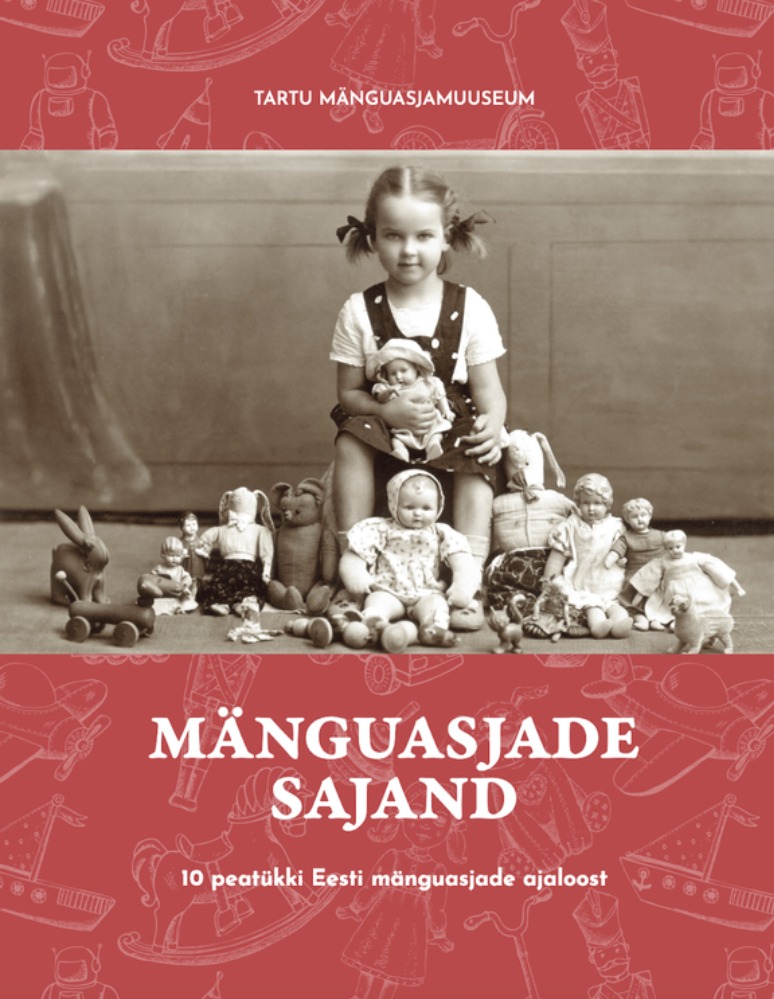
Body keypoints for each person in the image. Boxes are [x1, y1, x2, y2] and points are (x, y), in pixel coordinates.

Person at [331, 165, 508, 629]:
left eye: (424, 236)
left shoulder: (470, 307)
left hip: (447, 429)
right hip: (385, 433)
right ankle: (354, 573)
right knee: (350, 437)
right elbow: (348, 395)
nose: (408, 250)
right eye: (394, 236)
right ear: (373, 238)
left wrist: (492, 424)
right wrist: (384, 410)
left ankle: (467, 580)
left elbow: (490, 393)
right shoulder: (359, 311)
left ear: (447, 237)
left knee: (476, 446)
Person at [338, 470, 480, 651]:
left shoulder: (441, 532)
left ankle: (432, 627)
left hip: (426, 592)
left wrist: (463, 585)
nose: (418, 514)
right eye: (410, 507)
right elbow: (357, 552)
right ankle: (376, 622)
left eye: (426, 508)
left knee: (436, 605)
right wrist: (355, 573)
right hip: (388, 590)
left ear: (438, 506)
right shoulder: (381, 528)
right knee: (377, 601)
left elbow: (462, 560)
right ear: (394, 504)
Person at [543, 473, 633, 639]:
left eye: (597, 503)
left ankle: (620, 623)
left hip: (609, 578)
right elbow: (557, 556)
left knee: (613, 604)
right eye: (586, 503)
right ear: (578, 502)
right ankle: (598, 626)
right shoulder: (570, 525)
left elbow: (626, 551)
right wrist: (549, 581)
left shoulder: (616, 526)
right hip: (583, 580)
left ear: (607, 504)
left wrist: (625, 560)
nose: (591, 508)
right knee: (592, 605)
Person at [629, 529, 745, 628]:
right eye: (670, 548)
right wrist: (639, 596)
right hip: (674, 592)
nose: (674, 550)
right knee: (668, 609)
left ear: (684, 544)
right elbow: (649, 579)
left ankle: (694, 621)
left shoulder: (696, 558)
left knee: (700, 605)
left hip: (696, 590)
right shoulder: (662, 562)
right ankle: (668, 621)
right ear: (666, 549)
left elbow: (720, 572)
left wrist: (738, 587)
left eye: (678, 547)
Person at [367, 339, 454, 460]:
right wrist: (389, 391)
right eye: (393, 373)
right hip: (402, 426)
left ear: (416, 369)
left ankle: (433, 446)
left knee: (437, 433)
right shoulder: (389, 388)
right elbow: (380, 398)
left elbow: (439, 395)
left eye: (403, 371)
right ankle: (401, 451)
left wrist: (446, 410)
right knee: (396, 440)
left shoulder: (426, 382)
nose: (398, 376)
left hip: (428, 423)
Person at [604, 497, 667, 630]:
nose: (640, 519)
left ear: (649, 516)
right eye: (634, 516)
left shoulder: (660, 535)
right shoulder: (626, 537)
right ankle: (640, 618)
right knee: (634, 592)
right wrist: (610, 559)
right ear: (627, 520)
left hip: (657, 572)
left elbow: (674, 544)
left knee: (661, 592)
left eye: (643, 515)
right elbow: (617, 550)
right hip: (636, 572)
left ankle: (655, 619)